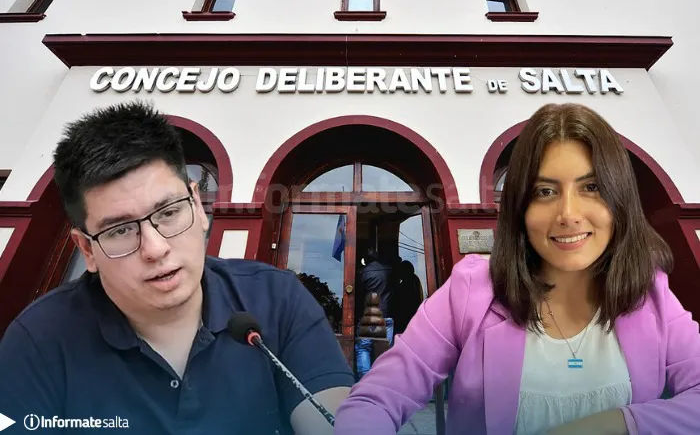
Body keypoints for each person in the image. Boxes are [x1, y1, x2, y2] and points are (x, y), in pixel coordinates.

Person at [334, 103, 700, 435]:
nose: (569, 214)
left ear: (620, 199)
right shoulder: (471, 291)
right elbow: (377, 399)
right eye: (545, 191)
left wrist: (620, 423)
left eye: (592, 187)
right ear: (520, 208)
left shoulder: (651, 293)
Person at [0, 102, 353, 434]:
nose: (155, 249)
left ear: (197, 206)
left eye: (169, 212)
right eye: (120, 230)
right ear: (87, 249)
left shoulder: (277, 299)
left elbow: (331, 420)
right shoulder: (38, 340)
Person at [354, 247, 395, 379]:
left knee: (363, 348)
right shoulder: (389, 271)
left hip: (368, 317)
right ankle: (383, 381)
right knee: (385, 350)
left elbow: (358, 295)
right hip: (386, 315)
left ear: (366, 260)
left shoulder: (363, 273)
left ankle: (365, 381)